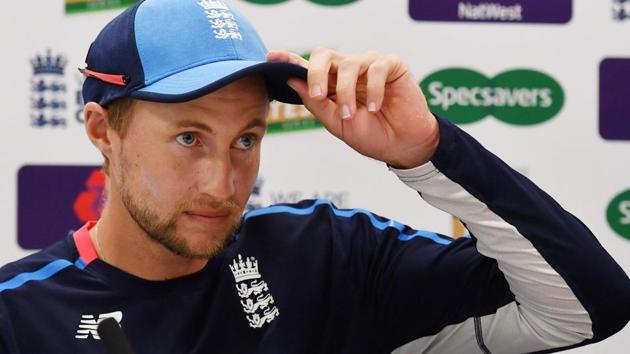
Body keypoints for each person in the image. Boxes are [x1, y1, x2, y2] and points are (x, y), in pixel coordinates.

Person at [1, 0, 628, 353]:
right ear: (101, 131)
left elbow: (587, 308)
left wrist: (426, 149)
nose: (223, 184)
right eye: (189, 138)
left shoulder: (325, 257)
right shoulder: (18, 316)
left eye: (246, 139)